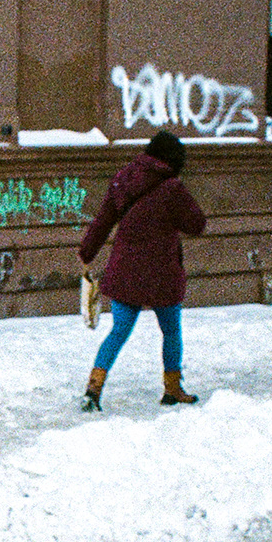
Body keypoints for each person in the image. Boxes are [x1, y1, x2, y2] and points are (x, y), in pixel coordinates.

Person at [77, 128, 207, 411]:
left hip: (126, 270)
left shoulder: (124, 178)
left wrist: (87, 251)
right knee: (171, 331)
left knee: (118, 331)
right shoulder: (172, 188)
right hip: (161, 273)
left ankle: (93, 389)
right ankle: (172, 388)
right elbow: (196, 224)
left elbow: (103, 220)